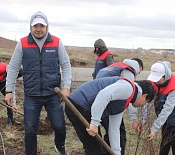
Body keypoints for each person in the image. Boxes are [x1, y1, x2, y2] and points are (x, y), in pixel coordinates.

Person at [5, 11, 71, 155]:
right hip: (31, 95)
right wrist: (9, 91)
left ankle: (59, 147)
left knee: (59, 126)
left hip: (53, 94)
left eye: (42, 25)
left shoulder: (56, 42)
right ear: (31, 26)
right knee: (29, 131)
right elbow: (13, 68)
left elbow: (65, 65)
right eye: (36, 26)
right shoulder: (22, 43)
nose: (39, 29)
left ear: (47, 26)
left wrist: (66, 87)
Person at [65, 76, 155, 155]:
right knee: (94, 148)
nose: (142, 105)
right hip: (78, 105)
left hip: (82, 107)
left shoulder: (125, 101)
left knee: (95, 147)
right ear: (144, 96)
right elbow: (103, 95)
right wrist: (95, 122)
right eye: (145, 103)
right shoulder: (128, 88)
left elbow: (114, 128)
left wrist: (116, 152)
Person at [132, 61, 175, 155]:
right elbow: (148, 101)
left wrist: (154, 128)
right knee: (165, 140)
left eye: (158, 79)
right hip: (166, 115)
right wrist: (144, 120)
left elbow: (167, 109)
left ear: (165, 76)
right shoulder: (154, 82)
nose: (156, 81)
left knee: (174, 141)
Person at [96, 58, 143, 155]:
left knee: (110, 133)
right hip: (107, 104)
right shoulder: (129, 71)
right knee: (118, 135)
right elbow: (131, 94)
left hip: (97, 103)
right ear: (138, 68)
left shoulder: (113, 67)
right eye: (139, 72)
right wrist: (133, 117)